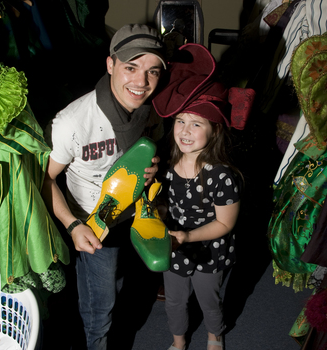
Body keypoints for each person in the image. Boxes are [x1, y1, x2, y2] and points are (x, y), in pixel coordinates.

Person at [41, 24, 166, 350]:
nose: (141, 82)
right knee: (101, 304)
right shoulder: (72, 122)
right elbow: (44, 178)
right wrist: (72, 226)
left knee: (139, 284)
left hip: (137, 215)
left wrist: (152, 170)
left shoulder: (151, 110)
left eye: (152, 71)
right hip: (93, 224)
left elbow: (153, 149)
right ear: (110, 64)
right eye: (131, 67)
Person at [152, 43, 255, 350]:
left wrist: (188, 235)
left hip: (210, 249)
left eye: (196, 123)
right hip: (175, 246)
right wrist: (155, 211)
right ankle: (179, 341)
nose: (185, 130)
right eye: (180, 121)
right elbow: (165, 204)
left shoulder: (220, 175)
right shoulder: (168, 167)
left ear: (214, 131)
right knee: (174, 300)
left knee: (209, 301)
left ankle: (215, 336)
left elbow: (224, 224)